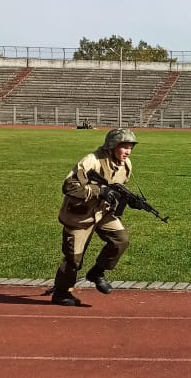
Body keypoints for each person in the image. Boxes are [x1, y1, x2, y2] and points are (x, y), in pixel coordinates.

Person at [50, 128, 139, 306]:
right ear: (112, 146)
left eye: (130, 147)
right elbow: (69, 187)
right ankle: (61, 292)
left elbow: (117, 187)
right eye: (124, 147)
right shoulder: (92, 161)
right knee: (73, 258)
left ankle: (97, 272)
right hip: (80, 215)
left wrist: (129, 200)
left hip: (103, 212)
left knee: (120, 239)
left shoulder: (126, 164)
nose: (128, 151)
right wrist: (100, 191)